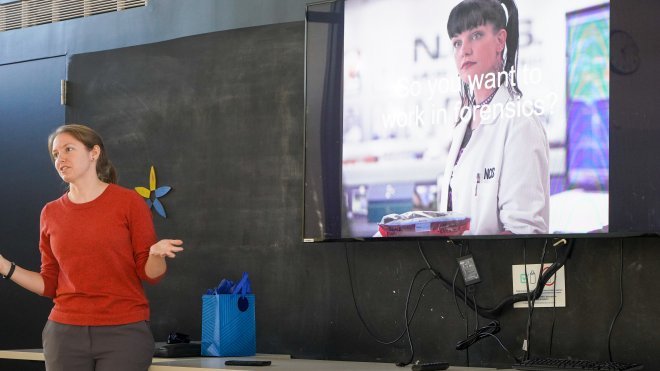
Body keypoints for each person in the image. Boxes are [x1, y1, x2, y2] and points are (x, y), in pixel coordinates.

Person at [0, 124, 184, 371]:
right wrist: (4, 266)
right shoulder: (50, 213)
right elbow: (50, 284)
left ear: (93, 153)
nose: (60, 159)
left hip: (124, 332)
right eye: (55, 154)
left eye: (68, 149)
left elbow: (150, 274)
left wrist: (155, 255)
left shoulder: (128, 202)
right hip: (63, 334)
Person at [439, 0, 550, 234]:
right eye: (457, 42)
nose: (464, 50)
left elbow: (524, 233)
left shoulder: (519, 123)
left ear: (500, 40)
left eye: (476, 35)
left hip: (493, 269)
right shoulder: (463, 125)